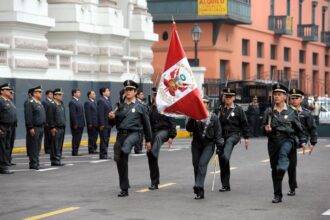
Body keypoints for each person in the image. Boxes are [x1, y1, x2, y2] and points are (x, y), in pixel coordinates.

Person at [262, 84, 306, 203]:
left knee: (283, 155)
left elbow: (299, 129)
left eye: (279, 94)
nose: (276, 96)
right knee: (274, 169)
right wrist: (266, 129)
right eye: (275, 94)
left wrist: (303, 141)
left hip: (288, 139)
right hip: (273, 142)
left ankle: (282, 167)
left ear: (285, 97)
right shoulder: (269, 111)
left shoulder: (292, 112)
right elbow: (262, 128)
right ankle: (277, 195)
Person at [109, 80, 152, 197]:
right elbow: (112, 123)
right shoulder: (119, 106)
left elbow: (147, 124)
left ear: (135, 92)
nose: (127, 92)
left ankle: (124, 150)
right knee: (120, 160)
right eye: (126, 90)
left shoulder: (141, 106)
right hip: (121, 134)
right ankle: (124, 188)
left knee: (126, 147)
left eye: (130, 90)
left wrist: (148, 140)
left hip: (135, 134)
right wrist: (111, 117)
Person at [186, 96, 224, 199]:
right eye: (201, 102)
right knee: (196, 165)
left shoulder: (213, 117)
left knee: (202, 164)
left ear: (208, 104)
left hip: (209, 144)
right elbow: (188, 128)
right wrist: (192, 118)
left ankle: (198, 185)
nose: (203, 104)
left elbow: (218, 133)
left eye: (205, 103)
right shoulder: (194, 116)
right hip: (196, 144)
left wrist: (219, 146)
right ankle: (200, 191)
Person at [217, 88, 249, 192]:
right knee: (222, 161)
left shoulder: (238, 110)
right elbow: (215, 124)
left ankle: (226, 156)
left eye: (230, 97)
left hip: (234, 135)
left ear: (234, 98)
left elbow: (244, 124)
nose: (228, 99)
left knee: (227, 150)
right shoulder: (220, 109)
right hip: (222, 136)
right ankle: (225, 185)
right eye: (226, 96)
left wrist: (246, 137)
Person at [288, 88, 317, 196]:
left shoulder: (306, 113)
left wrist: (313, 142)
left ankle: (292, 187)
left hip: (299, 140)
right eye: (292, 98)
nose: (294, 100)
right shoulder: (285, 111)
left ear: (301, 99)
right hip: (286, 138)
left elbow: (312, 128)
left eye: (297, 98)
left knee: (291, 165)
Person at [147, 87, 177, 190]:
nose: (155, 97)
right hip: (153, 132)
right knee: (151, 158)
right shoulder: (150, 107)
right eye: (154, 95)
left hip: (165, 131)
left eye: (157, 95)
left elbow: (172, 121)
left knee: (159, 138)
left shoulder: (166, 106)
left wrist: (172, 136)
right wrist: (147, 139)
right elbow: (148, 123)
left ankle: (154, 152)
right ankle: (154, 182)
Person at [24, 86, 46, 170]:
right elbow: (28, 116)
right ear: (34, 93)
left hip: (40, 127)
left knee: (38, 146)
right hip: (34, 128)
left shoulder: (39, 103)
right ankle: (33, 163)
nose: (41, 94)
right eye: (39, 92)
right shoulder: (30, 102)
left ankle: (36, 162)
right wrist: (30, 127)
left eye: (41, 92)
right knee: (33, 146)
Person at [0, 83, 16, 174]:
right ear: (1, 91)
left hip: (9, 127)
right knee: (2, 148)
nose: (9, 91)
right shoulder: (0, 101)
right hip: (2, 127)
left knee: (6, 147)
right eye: (6, 89)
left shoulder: (8, 101)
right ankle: (2, 167)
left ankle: (5, 164)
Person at [47, 88, 66, 166]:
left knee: (59, 145)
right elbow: (50, 117)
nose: (61, 96)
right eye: (59, 95)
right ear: (55, 96)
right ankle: (54, 160)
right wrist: (52, 127)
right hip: (56, 128)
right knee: (54, 145)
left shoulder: (61, 104)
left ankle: (58, 158)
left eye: (61, 94)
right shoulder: (52, 105)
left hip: (62, 127)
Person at [69, 88, 85, 156]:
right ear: (74, 94)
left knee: (78, 138)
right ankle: (74, 151)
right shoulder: (72, 102)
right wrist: (75, 123)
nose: (79, 93)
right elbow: (73, 114)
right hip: (76, 124)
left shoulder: (79, 101)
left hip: (81, 123)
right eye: (78, 92)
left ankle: (76, 150)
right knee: (76, 138)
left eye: (79, 92)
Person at [97, 87, 112, 159]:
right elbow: (100, 113)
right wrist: (101, 124)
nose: (109, 92)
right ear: (103, 93)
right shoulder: (101, 100)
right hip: (104, 124)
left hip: (108, 123)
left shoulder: (107, 100)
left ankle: (105, 153)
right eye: (108, 91)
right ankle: (103, 154)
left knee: (107, 139)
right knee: (104, 139)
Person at [42, 90, 54, 154]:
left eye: (52, 94)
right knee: (47, 136)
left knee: (52, 136)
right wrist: (45, 122)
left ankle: (51, 148)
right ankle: (47, 149)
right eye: (50, 94)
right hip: (47, 122)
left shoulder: (53, 102)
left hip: (53, 122)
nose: (51, 95)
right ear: (47, 95)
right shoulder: (44, 102)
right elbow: (44, 112)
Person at [134, 89, 146, 154]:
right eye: (141, 94)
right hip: (138, 122)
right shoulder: (136, 102)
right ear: (137, 95)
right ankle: (137, 149)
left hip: (142, 122)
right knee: (138, 136)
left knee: (141, 136)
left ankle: (139, 148)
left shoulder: (142, 102)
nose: (142, 95)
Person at [8, 88, 17, 166]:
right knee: (5, 145)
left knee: (10, 144)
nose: (12, 95)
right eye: (11, 93)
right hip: (6, 126)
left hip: (12, 126)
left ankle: (8, 159)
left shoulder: (11, 102)